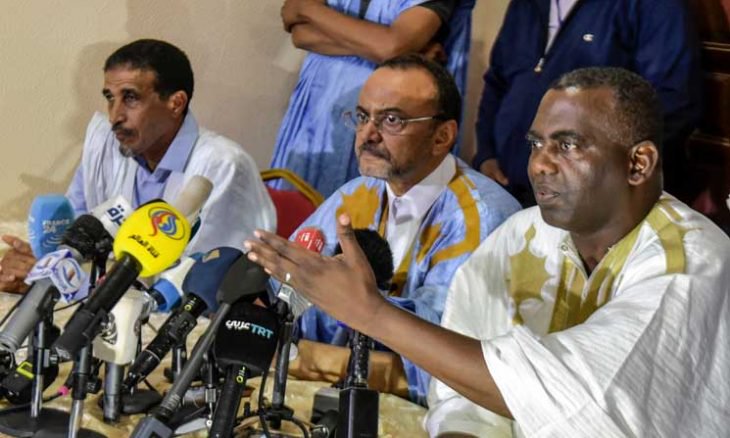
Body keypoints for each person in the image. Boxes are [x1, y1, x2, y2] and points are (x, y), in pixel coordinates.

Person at [245, 67, 730, 436]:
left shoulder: (689, 262)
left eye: (567, 146)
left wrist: (370, 313)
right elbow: (459, 389)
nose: (539, 164)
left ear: (639, 163)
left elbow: (577, 393)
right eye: (536, 144)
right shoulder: (521, 236)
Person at [281, 54, 519, 404]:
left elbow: (444, 358)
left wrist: (315, 351)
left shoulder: (480, 216)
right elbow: (290, 289)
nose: (368, 135)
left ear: (442, 137)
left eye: (392, 120)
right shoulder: (357, 192)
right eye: (362, 117)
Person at [0, 39, 276, 293]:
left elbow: (201, 284)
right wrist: (40, 268)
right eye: (110, 98)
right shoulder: (106, 146)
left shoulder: (222, 165)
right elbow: (77, 234)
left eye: (130, 98)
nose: (115, 116)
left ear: (176, 103)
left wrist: (70, 285)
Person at [473, 0, 702, 205]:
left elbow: (674, 102)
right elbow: (497, 82)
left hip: (593, 203)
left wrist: (607, 174)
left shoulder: (653, 6)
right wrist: (486, 153)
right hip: (510, 189)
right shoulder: (525, 5)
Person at [270, 0, 476, 198]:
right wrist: (380, 46)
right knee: (295, 209)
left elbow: (393, 46)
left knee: (368, 211)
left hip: (389, 124)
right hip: (317, 116)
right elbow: (301, 34)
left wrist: (306, 8)